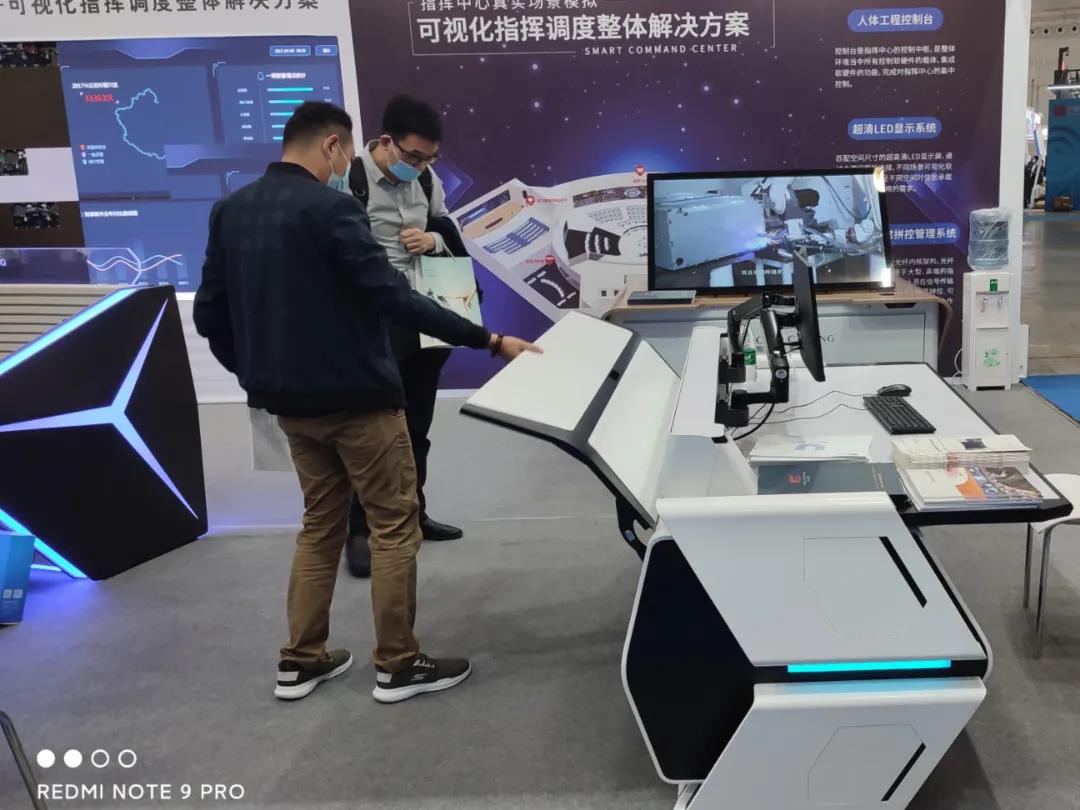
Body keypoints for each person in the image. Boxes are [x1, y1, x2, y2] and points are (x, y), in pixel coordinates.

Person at [193, 101, 539, 705]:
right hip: (359, 401)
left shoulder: (231, 209)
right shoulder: (335, 208)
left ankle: (301, 661)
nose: (346, 162)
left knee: (319, 526)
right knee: (394, 525)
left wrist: (255, 375)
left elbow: (209, 316)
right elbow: (393, 299)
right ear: (333, 145)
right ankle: (398, 664)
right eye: (345, 152)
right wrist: (487, 339)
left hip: (289, 407)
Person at [342, 95, 470, 580]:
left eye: (429, 159)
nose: (420, 167)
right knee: (371, 432)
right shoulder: (347, 179)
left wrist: (432, 240)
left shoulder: (427, 180)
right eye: (413, 156)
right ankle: (360, 530)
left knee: (417, 424)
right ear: (387, 142)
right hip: (373, 321)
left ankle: (414, 512)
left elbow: (447, 226)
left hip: (425, 310)